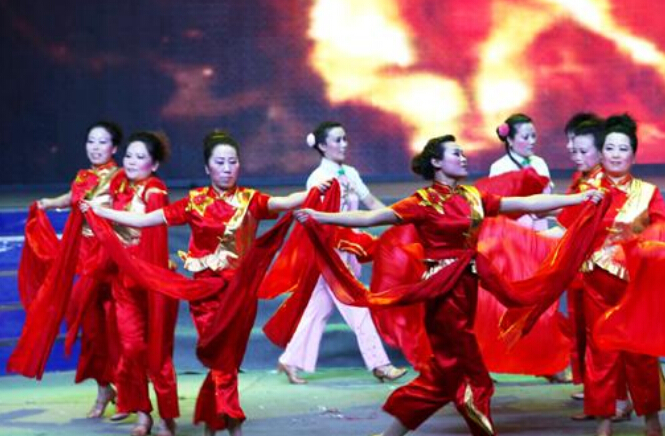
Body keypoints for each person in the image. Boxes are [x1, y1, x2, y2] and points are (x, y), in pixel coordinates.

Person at [295, 134, 603, 436]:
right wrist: (320, 216)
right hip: (442, 294)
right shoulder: (422, 201)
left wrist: (577, 199)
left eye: (462, 153)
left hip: (467, 287)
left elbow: (524, 202)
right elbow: (371, 217)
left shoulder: (472, 197)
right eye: (456, 154)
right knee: (474, 378)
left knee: (441, 379)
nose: (463, 158)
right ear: (437, 162)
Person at [83, 130, 329, 436]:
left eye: (232, 162)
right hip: (206, 296)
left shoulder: (250, 200)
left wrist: (313, 191)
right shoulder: (194, 202)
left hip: (239, 296)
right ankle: (233, 420)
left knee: (228, 361)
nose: (226, 168)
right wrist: (100, 211)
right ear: (207, 167)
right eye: (220, 162)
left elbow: (285, 202)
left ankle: (213, 420)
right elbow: (145, 220)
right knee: (221, 360)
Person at [274, 122, 406, 384]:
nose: (344, 144)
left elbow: (371, 203)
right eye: (338, 140)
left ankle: (290, 359)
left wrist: (399, 219)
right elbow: (316, 219)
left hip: (347, 250)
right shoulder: (317, 178)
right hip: (330, 253)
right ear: (323, 146)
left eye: (345, 138)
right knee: (357, 304)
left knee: (318, 310)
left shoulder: (351, 173)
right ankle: (380, 364)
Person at [569, 114, 664, 436]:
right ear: (601, 153)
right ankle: (603, 423)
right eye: (609, 148)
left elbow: (661, 232)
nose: (615, 154)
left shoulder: (648, 193)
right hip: (596, 285)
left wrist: (635, 244)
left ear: (633, 155)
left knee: (640, 354)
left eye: (623, 148)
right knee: (601, 353)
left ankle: (651, 420)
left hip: (634, 287)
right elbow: (569, 233)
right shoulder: (587, 191)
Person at [23, 121, 123, 419]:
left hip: (111, 258)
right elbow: (73, 198)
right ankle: (104, 388)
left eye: (102, 141)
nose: (95, 147)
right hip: (84, 257)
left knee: (115, 327)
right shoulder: (83, 176)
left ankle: (127, 390)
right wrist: (48, 203)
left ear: (114, 147)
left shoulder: (121, 178)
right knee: (90, 327)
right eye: (91, 141)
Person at [98, 131, 179, 436]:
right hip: (125, 281)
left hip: (154, 280)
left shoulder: (155, 191)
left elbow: (149, 233)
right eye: (129, 155)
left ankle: (166, 416)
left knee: (158, 353)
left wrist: (103, 210)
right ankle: (143, 412)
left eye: (140, 157)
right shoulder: (120, 186)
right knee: (131, 347)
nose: (131, 162)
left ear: (154, 165)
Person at [489, 113, 552, 231]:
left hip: (541, 230)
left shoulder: (540, 163)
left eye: (533, 136)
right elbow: (497, 207)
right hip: (512, 232)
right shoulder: (499, 167)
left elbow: (548, 199)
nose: (532, 141)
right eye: (525, 137)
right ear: (510, 140)